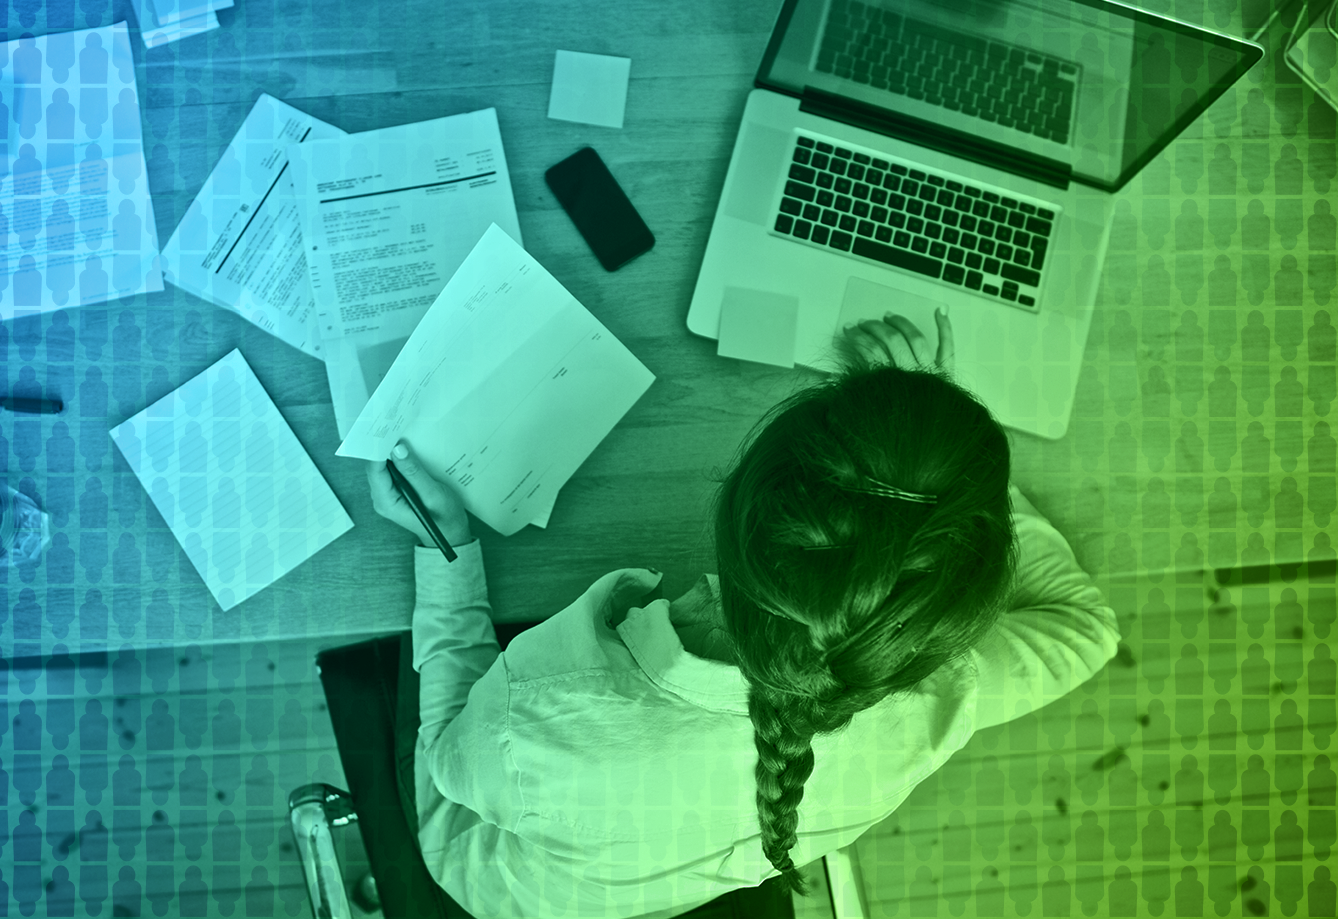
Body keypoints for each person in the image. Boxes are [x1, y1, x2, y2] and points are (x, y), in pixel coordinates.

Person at [364, 311, 1121, 919]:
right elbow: (1087, 630)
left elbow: (449, 762)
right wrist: (962, 495)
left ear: (739, 497)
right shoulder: (935, 704)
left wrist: (449, 548)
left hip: (485, 873)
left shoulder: (537, 718)